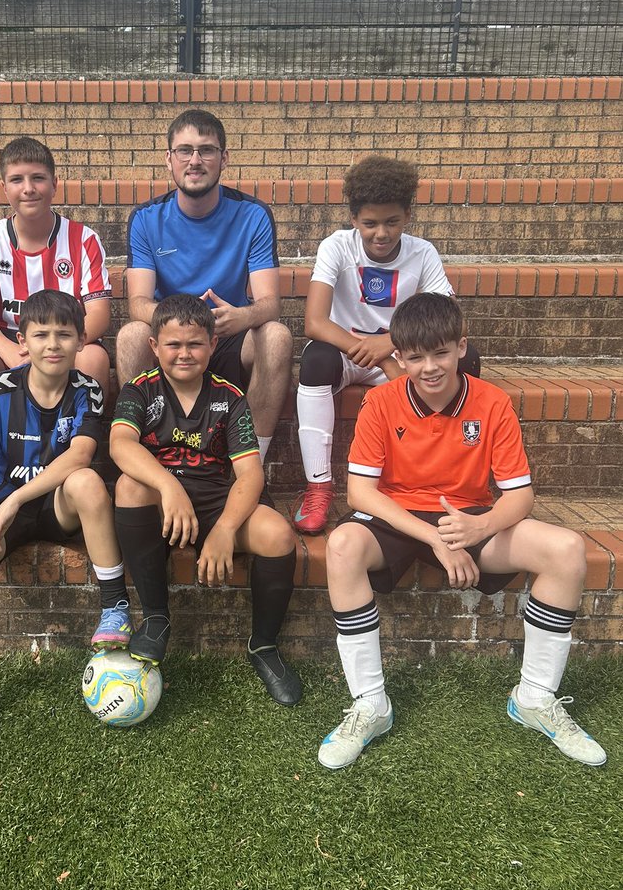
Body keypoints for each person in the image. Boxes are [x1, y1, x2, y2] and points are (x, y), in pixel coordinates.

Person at [318, 292, 605, 770]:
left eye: (441, 353)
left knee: (567, 549)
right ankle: (372, 705)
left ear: (461, 347)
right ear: (400, 357)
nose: (429, 367)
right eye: (415, 357)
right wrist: (434, 538)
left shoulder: (491, 403)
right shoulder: (380, 401)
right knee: (343, 544)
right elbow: (362, 494)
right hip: (401, 517)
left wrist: (478, 528)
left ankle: (533, 698)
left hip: (469, 516)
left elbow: (519, 495)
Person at [0, 290, 132, 758]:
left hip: (52, 505)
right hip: (1, 509)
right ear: (23, 340)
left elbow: (80, 455)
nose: (52, 344)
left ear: (81, 341)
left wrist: (15, 500)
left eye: (64, 334)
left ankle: (115, 607)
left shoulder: (88, 391)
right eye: (41, 335)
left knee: (88, 483)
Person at [111, 293, 302, 706]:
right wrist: (168, 485)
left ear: (213, 345)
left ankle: (264, 645)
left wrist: (226, 530)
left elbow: (250, 473)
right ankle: (157, 618)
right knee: (129, 486)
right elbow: (120, 446)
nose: (184, 354)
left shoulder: (229, 397)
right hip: (164, 502)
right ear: (154, 347)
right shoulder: (138, 390)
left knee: (277, 534)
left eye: (195, 344)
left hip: (217, 499)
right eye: (174, 344)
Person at [292, 155, 480, 536]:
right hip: (345, 352)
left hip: (401, 352)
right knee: (314, 360)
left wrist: (389, 345)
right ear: (353, 219)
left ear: (407, 216)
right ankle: (319, 485)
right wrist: (368, 349)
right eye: (370, 223)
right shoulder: (337, 247)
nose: (381, 233)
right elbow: (314, 322)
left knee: (466, 361)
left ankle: (435, 480)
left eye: (392, 222)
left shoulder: (422, 252)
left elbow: (449, 316)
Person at [114, 109, 293, 463]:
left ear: (223, 158)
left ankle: (250, 467)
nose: (195, 161)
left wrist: (243, 316)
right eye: (184, 150)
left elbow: (270, 303)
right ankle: (146, 461)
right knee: (131, 335)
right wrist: (187, 323)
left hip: (228, 334)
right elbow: (137, 303)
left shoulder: (253, 214)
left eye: (206, 150)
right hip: (174, 334)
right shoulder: (147, 218)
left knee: (276, 336)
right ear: (169, 159)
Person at [0, 136, 112, 415]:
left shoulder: (83, 239)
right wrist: (7, 349)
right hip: (12, 341)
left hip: (62, 341)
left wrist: (54, 346)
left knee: (94, 358)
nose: (28, 189)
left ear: (54, 184)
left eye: (38, 178)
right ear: (4, 188)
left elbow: (98, 312)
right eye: (17, 180)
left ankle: (81, 445)